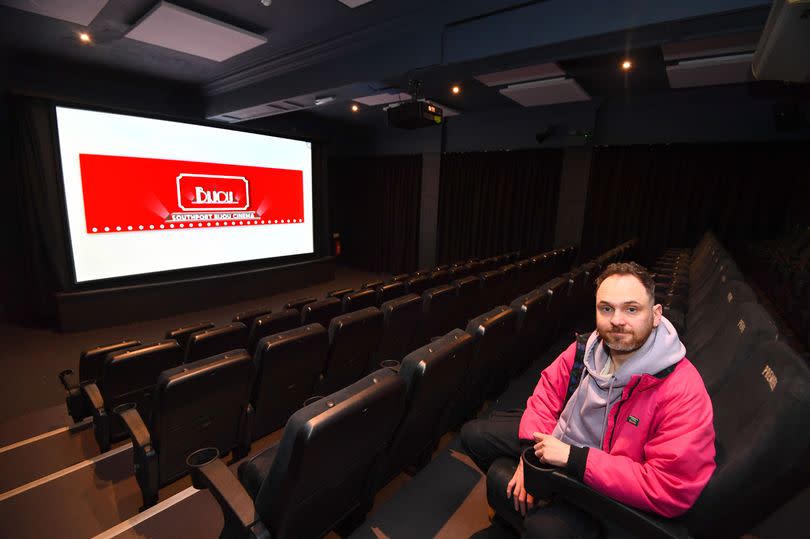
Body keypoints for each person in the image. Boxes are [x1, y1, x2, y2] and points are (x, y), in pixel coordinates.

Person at [460, 262, 716, 538]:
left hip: (604, 478)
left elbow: (670, 486)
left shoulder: (683, 389)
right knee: (474, 435)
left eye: (631, 309)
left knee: (543, 530)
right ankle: (523, 508)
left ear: (655, 315)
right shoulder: (586, 348)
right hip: (564, 444)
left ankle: (531, 513)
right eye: (606, 308)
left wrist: (575, 459)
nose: (617, 320)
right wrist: (530, 457)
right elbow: (546, 395)